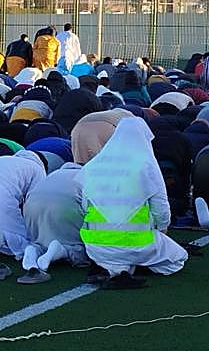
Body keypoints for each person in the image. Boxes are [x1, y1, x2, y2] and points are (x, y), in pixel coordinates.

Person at [76, 117, 188, 279]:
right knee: (178, 258)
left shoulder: (96, 164)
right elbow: (160, 205)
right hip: (137, 243)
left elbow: (85, 205)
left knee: (119, 256)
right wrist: (162, 229)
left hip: (95, 247)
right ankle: (133, 264)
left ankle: (117, 267)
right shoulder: (145, 164)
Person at [0, 150, 62, 262]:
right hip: (1, 192)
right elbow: (34, 201)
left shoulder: (1, 159)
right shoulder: (37, 169)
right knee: (21, 235)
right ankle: (2, 238)